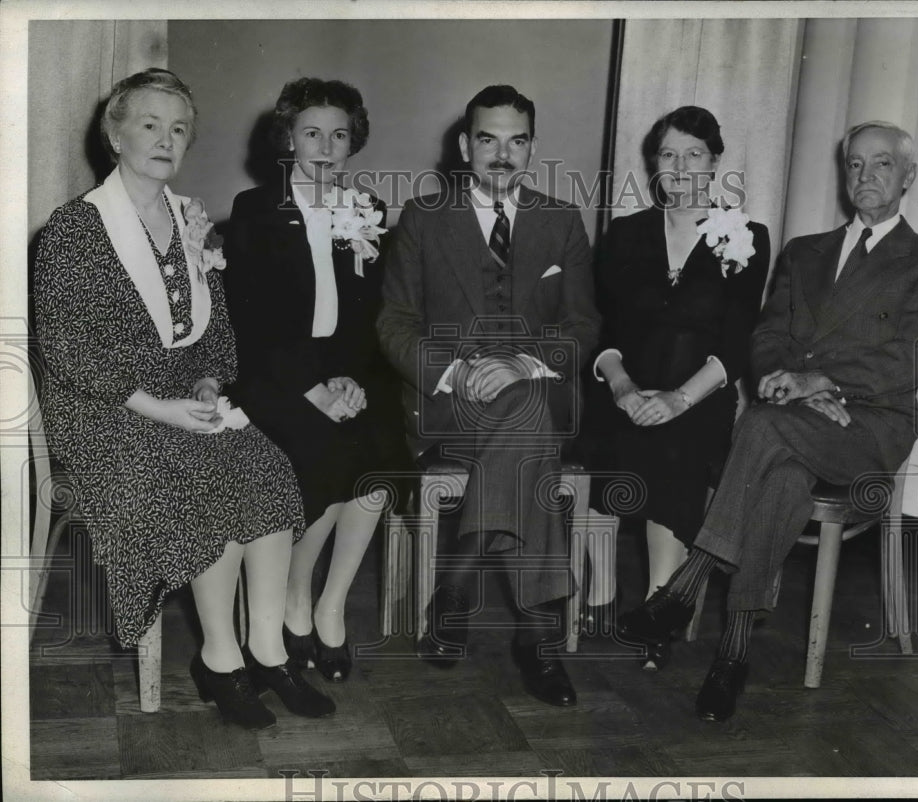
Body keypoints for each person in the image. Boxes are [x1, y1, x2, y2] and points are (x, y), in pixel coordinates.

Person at [617, 120, 918, 721]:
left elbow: (909, 358)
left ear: (908, 176)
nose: (866, 176)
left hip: (871, 425)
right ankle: (733, 653)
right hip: (793, 416)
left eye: (882, 164)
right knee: (779, 473)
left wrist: (820, 382)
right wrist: (786, 380)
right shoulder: (806, 251)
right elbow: (769, 331)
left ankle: (686, 585)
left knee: (763, 429)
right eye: (855, 163)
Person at [33, 68, 334, 730]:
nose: (165, 139)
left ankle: (268, 649)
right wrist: (159, 407)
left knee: (265, 464)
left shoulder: (189, 219)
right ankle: (219, 661)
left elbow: (213, 332)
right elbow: (68, 349)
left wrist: (205, 383)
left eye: (178, 128)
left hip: (179, 399)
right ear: (115, 134)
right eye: (148, 124)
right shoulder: (74, 229)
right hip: (103, 411)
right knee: (203, 471)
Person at [377, 85, 601, 707]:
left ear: (533, 146)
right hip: (448, 398)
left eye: (517, 140)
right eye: (487, 138)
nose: (502, 154)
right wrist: (457, 370)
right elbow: (394, 323)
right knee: (526, 436)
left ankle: (455, 585)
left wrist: (525, 363)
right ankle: (538, 637)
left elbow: (584, 326)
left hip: (534, 390)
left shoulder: (561, 220)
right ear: (463, 144)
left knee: (524, 410)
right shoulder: (423, 218)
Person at [225, 78, 409, 683]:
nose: (326, 146)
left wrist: (352, 383)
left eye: (339, 134)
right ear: (288, 140)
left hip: (346, 371)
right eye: (312, 133)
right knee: (328, 451)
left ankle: (332, 604)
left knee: (382, 452)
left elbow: (368, 319)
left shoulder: (369, 212)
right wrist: (313, 389)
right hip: (274, 374)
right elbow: (252, 328)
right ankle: (295, 598)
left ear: (353, 141)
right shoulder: (255, 211)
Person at [581, 107, 769, 669]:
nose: (681, 167)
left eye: (694, 154)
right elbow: (602, 330)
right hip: (624, 388)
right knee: (606, 433)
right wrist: (620, 387)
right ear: (654, 165)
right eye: (668, 155)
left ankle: (660, 605)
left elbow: (738, 345)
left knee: (676, 443)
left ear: (715, 163)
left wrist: (679, 398)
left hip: (699, 397)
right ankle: (599, 591)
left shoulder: (746, 237)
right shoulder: (627, 234)